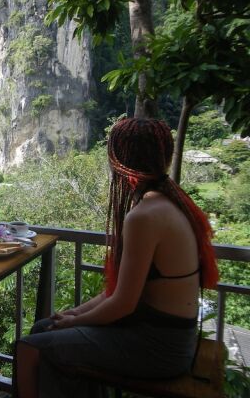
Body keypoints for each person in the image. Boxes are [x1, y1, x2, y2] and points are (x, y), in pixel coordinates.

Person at [14, 118, 219, 397]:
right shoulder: (169, 200)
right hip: (166, 335)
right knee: (43, 327)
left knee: (29, 348)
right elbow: (119, 293)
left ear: (119, 161)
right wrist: (76, 313)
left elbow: (122, 303)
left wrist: (74, 321)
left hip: (158, 346)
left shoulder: (144, 216)